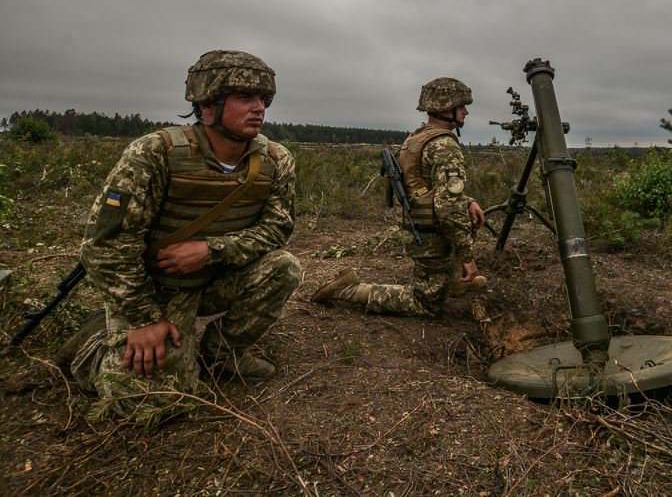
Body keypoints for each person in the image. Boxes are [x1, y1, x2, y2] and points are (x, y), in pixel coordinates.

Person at [56, 50, 300, 420]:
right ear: (206, 104)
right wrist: (142, 319)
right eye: (245, 98)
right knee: (149, 403)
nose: (259, 109)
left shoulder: (275, 159)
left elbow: (277, 228)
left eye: (264, 100)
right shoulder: (155, 153)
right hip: (157, 288)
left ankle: (222, 354)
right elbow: (105, 246)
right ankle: (97, 346)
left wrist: (212, 251)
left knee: (283, 267)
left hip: (216, 277)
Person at [312, 77, 486, 316]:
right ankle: (351, 289)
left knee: (463, 212)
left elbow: (426, 189)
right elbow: (449, 208)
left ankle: (452, 281)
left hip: (420, 225)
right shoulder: (443, 144)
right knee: (425, 305)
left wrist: (469, 201)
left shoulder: (418, 137)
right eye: (462, 106)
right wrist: (468, 256)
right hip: (430, 234)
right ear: (447, 107)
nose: (466, 112)